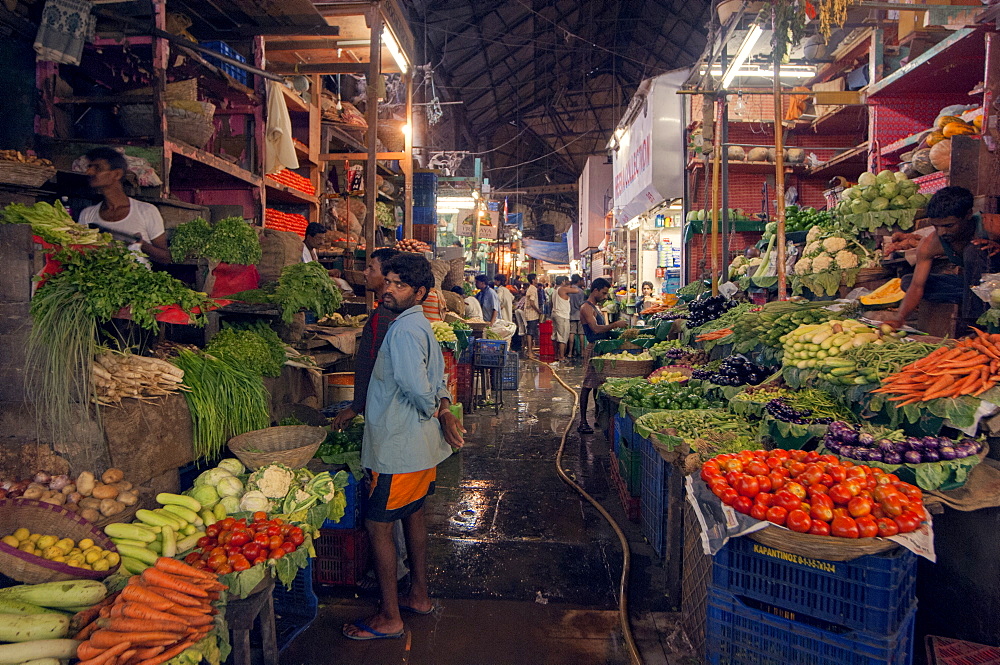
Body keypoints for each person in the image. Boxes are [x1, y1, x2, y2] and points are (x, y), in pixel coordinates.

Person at [343, 253, 464, 641]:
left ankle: (390, 617)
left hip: (398, 448)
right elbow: (437, 377)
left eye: (400, 285)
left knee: (378, 526)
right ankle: (419, 596)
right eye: (389, 282)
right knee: (413, 515)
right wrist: (442, 407)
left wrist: (439, 411)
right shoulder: (418, 325)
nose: (389, 290)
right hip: (417, 450)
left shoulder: (404, 331)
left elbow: (417, 388)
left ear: (421, 292)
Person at [892, 186, 1000, 329]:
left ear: (968, 214)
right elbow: (917, 287)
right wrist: (899, 319)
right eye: (936, 226)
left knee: (973, 251)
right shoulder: (931, 243)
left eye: (949, 225)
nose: (942, 232)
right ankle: (973, 298)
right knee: (908, 281)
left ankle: (974, 324)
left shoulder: (992, 225)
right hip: (975, 285)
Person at [79, 147, 170, 265]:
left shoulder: (146, 211)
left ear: (116, 174)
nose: (89, 172)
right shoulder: (87, 215)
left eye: (97, 168)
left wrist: (140, 244)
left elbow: (166, 258)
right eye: (89, 167)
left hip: (135, 281)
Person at [577, 277, 627, 433]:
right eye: (604, 293)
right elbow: (596, 329)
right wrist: (614, 325)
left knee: (598, 385)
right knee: (587, 385)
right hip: (593, 348)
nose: (605, 296)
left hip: (600, 347)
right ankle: (583, 422)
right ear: (595, 290)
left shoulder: (595, 307)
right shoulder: (586, 307)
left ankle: (599, 417)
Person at [551, 275, 581, 364]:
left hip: (555, 313)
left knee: (555, 336)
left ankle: (556, 355)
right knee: (563, 338)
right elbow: (577, 290)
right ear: (563, 281)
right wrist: (570, 286)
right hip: (562, 315)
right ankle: (562, 357)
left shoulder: (555, 290)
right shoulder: (562, 289)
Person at [567, 274, 586, 359]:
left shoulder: (569, 291)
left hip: (571, 314)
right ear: (578, 281)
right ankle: (582, 352)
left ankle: (570, 352)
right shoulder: (580, 291)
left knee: (572, 333)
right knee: (581, 333)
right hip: (580, 314)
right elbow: (581, 304)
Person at [523, 273, 542, 358]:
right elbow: (532, 302)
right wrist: (538, 311)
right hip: (532, 314)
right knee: (530, 332)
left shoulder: (531, 288)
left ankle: (530, 351)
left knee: (532, 332)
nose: (537, 280)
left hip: (530, 313)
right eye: (536, 278)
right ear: (533, 280)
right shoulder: (533, 289)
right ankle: (530, 352)